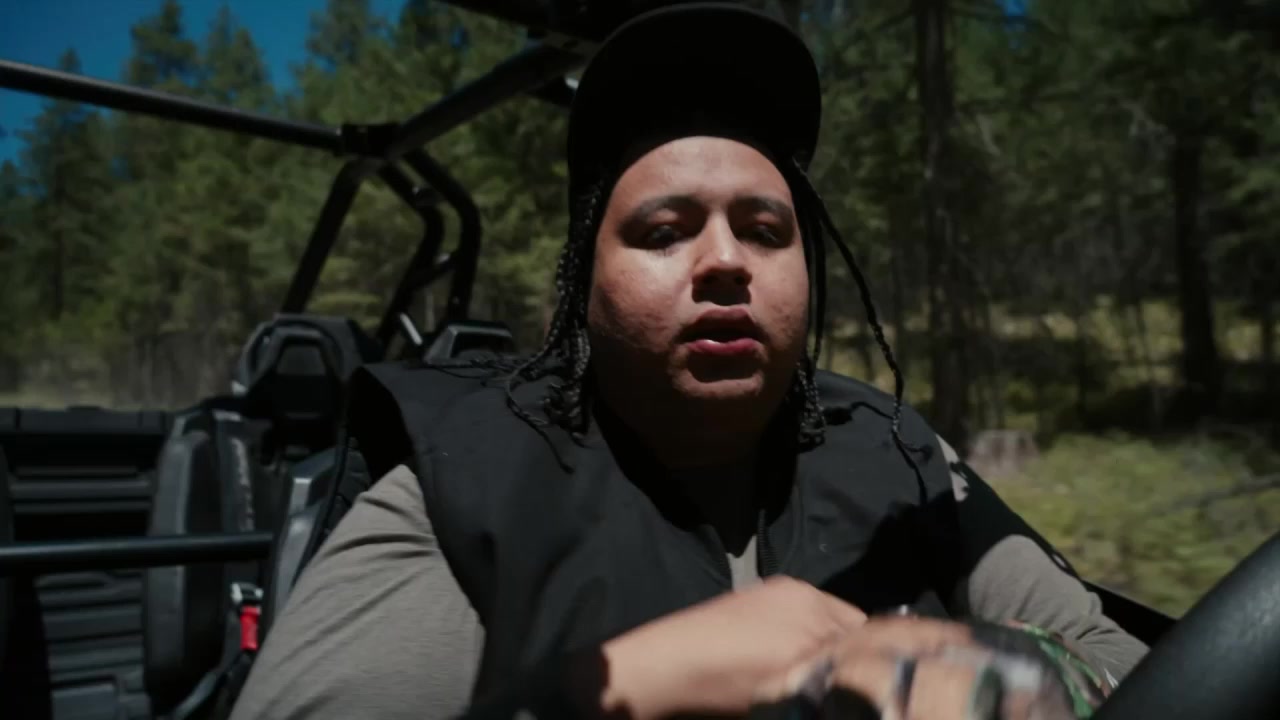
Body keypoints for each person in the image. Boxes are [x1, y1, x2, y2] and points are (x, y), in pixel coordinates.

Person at [230, 4, 1147, 719]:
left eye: (766, 230)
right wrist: (621, 689)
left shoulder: (897, 449)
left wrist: (1000, 675)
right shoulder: (456, 485)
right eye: (664, 231)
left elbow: (1131, 666)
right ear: (583, 286)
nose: (725, 261)